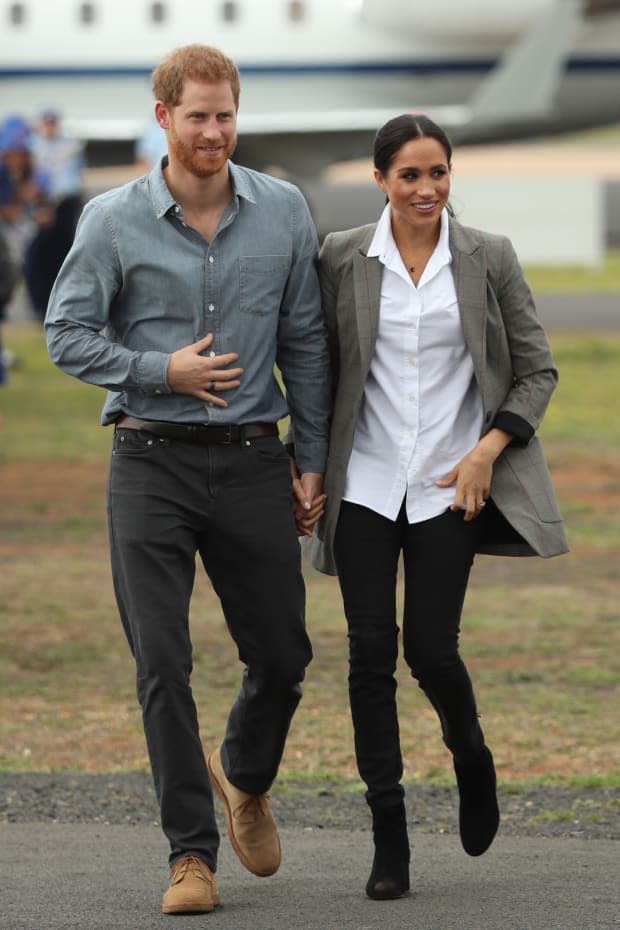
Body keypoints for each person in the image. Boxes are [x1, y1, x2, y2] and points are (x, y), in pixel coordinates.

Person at [45, 44, 330, 915]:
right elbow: (65, 333)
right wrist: (155, 372)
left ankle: (243, 772)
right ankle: (190, 857)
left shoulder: (283, 210)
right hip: (149, 462)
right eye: (198, 115)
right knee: (162, 662)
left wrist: (310, 459)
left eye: (226, 115)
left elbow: (308, 342)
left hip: (252, 460)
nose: (214, 131)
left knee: (283, 657)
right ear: (162, 116)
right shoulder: (111, 219)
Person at [306, 114, 569, 901]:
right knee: (367, 659)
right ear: (381, 178)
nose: (427, 189)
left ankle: (471, 755)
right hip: (364, 485)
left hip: (450, 489)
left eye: (439, 173)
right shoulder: (341, 257)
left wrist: (487, 451)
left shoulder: (489, 257)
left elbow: (537, 372)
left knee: (431, 652)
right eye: (410, 175)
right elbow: (318, 368)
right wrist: (307, 466)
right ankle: (390, 838)